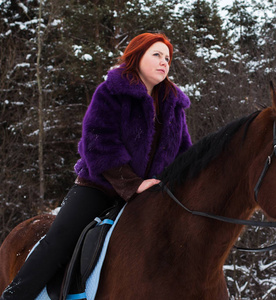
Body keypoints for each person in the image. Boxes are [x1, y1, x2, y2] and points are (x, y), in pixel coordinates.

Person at [1, 33, 192, 300]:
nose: (164, 62)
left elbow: (184, 153)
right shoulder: (111, 93)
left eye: (168, 58)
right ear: (136, 57)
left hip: (150, 193)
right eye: (156, 55)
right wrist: (132, 183)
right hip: (98, 186)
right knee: (58, 241)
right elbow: (98, 142)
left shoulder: (174, 106)